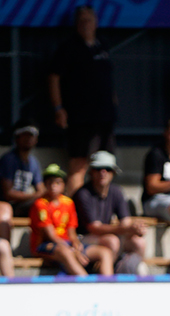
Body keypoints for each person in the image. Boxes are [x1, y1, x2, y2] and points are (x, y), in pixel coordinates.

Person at [47, 5, 117, 195]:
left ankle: (101, 209)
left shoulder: (102, 45)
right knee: (79, 164)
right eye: (81, 21)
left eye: (89, 20)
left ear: (96, 22)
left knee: (106, 163)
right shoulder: (68, 48)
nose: (85, 24)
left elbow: (107, 78)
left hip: (105, 116)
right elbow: (54, 77)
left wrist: (113, 100)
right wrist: (58, 108)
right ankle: (74, 212)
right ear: (76, 25)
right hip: (81, 117)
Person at [30, 164, 113, 276]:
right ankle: (86, 283)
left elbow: (71, 232)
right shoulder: (40, 204)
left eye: (57, 182)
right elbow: (50, 235)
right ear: (45, 185)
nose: (53, 186)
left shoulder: (68, 203)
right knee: (65, 252)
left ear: (63, 185)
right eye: (50, 182)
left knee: (105, 253)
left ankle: (107, 286)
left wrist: (76, 244)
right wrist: (73, 250)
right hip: (45, 245)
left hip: (67, 244)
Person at [73, 151, 148, 274]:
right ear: (91, 171)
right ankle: (107, 276)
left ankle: (132, 275)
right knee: (112, 241)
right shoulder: (83, 193)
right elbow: (94, 228)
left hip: (106, 237)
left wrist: (136, 229)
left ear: (113, 172)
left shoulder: (116, 191)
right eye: (98, 169)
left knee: (138, 242)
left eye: (107, 169)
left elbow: (126, 222)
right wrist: (128, 228)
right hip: (82, 240)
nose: (103, 172)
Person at [0, 119, 45, 219]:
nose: (29, 139)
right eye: (25, 135)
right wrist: (35, 196)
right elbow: (8, 194)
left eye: (32, 135)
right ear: (16, 137)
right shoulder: (9, 159)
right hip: (6, 205)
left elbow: (41, 189)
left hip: (24, 204)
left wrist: (40, 194)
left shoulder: (34, 162)